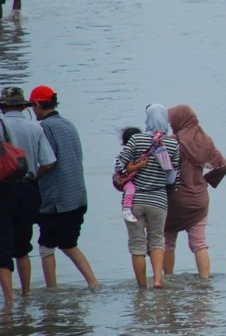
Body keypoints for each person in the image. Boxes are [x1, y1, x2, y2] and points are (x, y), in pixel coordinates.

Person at [29, 85, 100, 289]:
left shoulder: (44, 128)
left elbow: (48, 162)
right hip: (77, 196)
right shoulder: (68, 124)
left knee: (46, 245)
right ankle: (93, 283)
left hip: (57, 200)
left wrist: (31, 176)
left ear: (36, 105)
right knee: (68, 243)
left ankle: (51, 290)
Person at [0, 87, 57, 302]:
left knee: (2, 246)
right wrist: (32, 176)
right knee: (23, 245)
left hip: (3, 189)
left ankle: (8, 299)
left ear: (3, 106)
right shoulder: (36, 128)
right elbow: (49, 162)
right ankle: (25, 293)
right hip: (28, 190)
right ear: (24, 106)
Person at [116, 104, 181, 289]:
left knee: (137, 245)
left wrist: (134, 167)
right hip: (159, 200)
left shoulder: (136, 140)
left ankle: (142, 286)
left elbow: (120, 165)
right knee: (157, 241)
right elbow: (172, 177)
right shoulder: (172, 143)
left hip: (134, 201)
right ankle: (158, 281)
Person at [164, 105, 226, 279]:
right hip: (199, 200)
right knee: (200, 243)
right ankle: (205, 280)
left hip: (175, 201)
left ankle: (168, 279)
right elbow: (223, 165)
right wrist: (206, 181)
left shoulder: (172, 142)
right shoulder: (205, 141)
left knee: (168, 242)